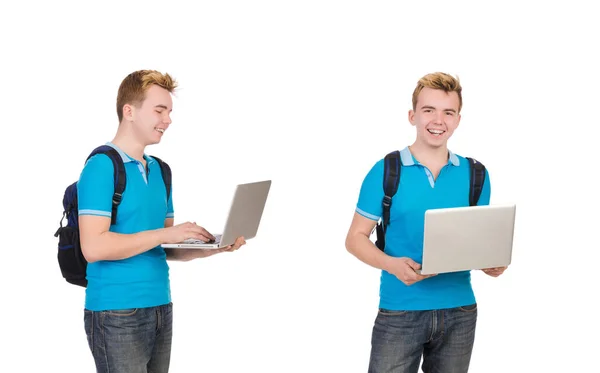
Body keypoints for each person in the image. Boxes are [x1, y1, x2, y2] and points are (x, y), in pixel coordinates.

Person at [77, 69, 246, 373]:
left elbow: (163, 247)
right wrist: (166, 233)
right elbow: (93, 246)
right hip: (116, 311)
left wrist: (213, 248)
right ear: (129, 111)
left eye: (169, 111)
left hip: (160, 306)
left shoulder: (162, 171)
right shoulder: (101, 167)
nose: (168, 120)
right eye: (159, 110)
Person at [345, 72, 507, 373]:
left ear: (458, 119)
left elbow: (475, 240)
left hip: (459, 311)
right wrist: (392, 265)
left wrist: (491, 263)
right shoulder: (386, 170)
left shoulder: (476, 175)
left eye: (448, 112)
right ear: (412, 116)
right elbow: (355, 238)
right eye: (428, 110)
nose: (438, 120)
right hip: (400, 311)